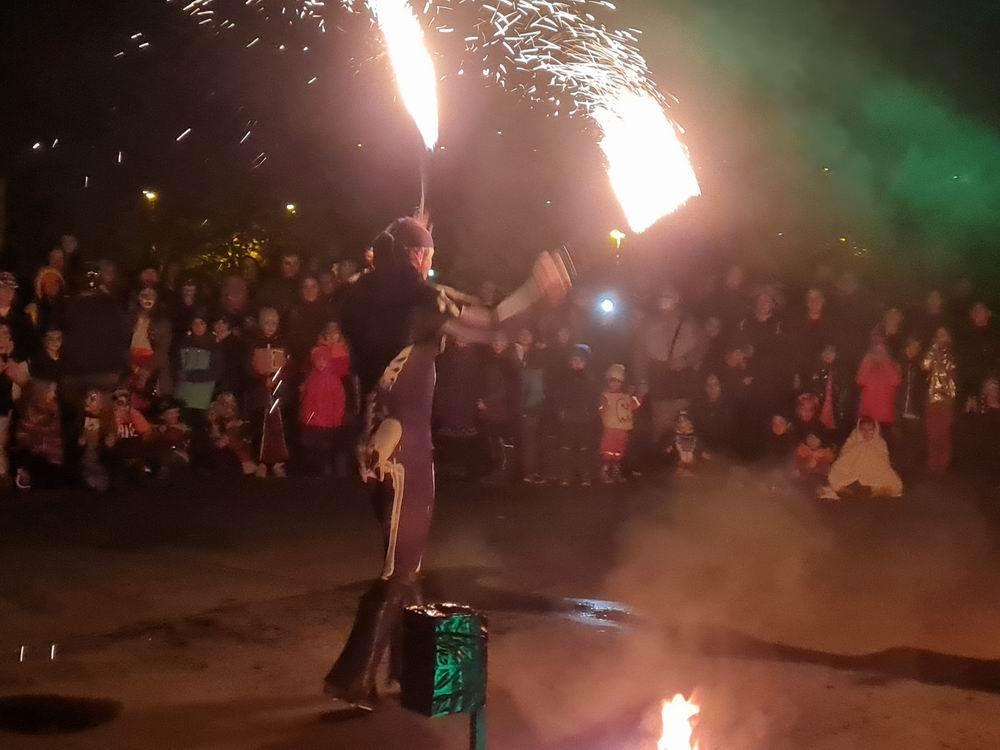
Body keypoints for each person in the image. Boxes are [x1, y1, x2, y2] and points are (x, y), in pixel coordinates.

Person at [325, 215, 570, 709]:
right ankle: (350, 678)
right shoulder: (423, 302)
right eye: (427, 255)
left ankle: (405, 669)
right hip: (405, 447)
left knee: (405, 565)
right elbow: (493, 320)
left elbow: (373, 272)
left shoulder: (355, 294)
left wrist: (402, 242)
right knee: (400, 568)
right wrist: (536, 288)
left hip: (371, 443)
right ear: (417, 257)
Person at [633, 287, 703, 451]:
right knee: (662, 427)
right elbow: (639, 355)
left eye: (669, 296)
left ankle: (684, 464)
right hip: (659, 382)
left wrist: (686, 360)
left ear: (677, 298)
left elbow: (702, 346)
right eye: (662, 296)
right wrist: (642, 381)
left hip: (682, 382)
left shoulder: (689, 322)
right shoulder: (647, 324)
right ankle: (662, 463)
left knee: (684, 426)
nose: (665, 300)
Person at [299, 322, 351, 476]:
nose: (321, 363)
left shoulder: (335, 379)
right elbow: (307, 398)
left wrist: (337, 418)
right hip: (314, 421)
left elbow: (339, 399)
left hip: (329, 421)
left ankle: (330, 472)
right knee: (316, 450)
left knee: (329, 449)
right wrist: (306, 417)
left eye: (324, 360)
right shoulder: (311, 377)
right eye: (318, 361)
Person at [247, 307, 290, 478]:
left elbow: (288, 365)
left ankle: (279, 461)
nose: (270, 326)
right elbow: (248, 366)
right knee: (259, 426)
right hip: (259, 390)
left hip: (278, 390)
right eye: (267, 322)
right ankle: (261, 461)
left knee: (279, 426)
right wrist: (260, 379)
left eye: (274, 323)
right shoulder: (253, 343)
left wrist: (276, 378)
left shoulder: (283, 342)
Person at [819, 417, 903, 500]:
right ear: (858, 430)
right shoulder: (852, 440)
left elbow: (884, 460)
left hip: (874, 469)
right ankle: (842, 487)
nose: (866, 433)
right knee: (836, 471)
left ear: (875, 430)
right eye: (862, 429)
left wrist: (869, 449)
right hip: (852, 469)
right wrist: (859, 447)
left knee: (892, 481)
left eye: (870, 430)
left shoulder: (880, 442)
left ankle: (880, 489)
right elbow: (844, 457)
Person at [477, 332, 519, 486]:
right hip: (488, 409)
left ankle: (502, 472)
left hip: (501, 409)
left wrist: (487, 401)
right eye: (495, 340)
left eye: (501, 340)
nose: (497, 343)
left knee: (499, 441)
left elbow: (506, 389)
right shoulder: (487, 360)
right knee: (491, 441)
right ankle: (495, 471)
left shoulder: (509, 362)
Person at [554, 344, 598, 486]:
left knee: (584, 448)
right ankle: (566, 475)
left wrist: (591, 413)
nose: (577, 363)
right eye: (574, 360)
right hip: (567, 418)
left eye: (580, 360)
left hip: (584, 419)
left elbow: (594, 399)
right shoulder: (564, 378)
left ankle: (585, 475)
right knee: (566, 448)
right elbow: (559, 396)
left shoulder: (590, 379)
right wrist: (561, 411)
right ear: (570, 362)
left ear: (585, 363)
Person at [14, 380, 64, 490]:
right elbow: (22, 436)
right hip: (34, 455)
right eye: (49, 391)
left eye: (53, 391)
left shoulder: (57, 412)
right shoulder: (29, 413)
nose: (52, 394)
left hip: (52, 457)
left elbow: (56, 435)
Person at [174, 314, 222, 428]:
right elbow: (176, 363)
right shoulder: (182, 343)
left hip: (202, 399)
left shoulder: (214, 346)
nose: (198, 327)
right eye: (195, 323)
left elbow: (215, 372)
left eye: (202, 323)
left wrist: (190, 375)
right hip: (182, 396)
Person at [922, 327, 958, 477]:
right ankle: (932, 465)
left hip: (946, 400)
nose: (941, 337)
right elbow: (924, 365)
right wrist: (933, 349)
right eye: (938, 335)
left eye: (944, 334)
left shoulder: (952, 354)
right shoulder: (932, 352)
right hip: (931, 399)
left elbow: (954, 374)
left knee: (944, 434)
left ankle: (943, 466)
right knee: (932, 433)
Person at [598, 363, 641, 484]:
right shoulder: (605, 396)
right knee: (607, 451)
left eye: (618, 381)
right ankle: (605, 471)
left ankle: (616, 471)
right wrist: (603, 407)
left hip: (623, 429)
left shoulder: (626, 396)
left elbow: (635, 406)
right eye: (612, 380)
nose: (614, 383)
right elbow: (600, 409)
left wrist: (636, 395)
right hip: (610, 428)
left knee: (619, 451)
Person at [0, 323, 30, 487]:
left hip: (12, 407)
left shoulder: (17, 358)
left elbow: (25, 383)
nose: (2, 337)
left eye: (5, 334)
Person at [855, 335, 902, 436]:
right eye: (876, 350)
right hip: (867, 416)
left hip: (885, 417)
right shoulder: (867, 364)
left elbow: (895, 381)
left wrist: (886, 361)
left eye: (882, 349)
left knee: (883, 448)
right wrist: (867, 360)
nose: (879, 353)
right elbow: (860, 381)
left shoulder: (893, 365)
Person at [894, 336, 927, 474]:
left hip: (914, 410)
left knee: (911, 443)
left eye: (917, 348)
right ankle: (896, 471)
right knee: (897, 441)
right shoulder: (897, 363)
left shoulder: (920, 367)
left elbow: (924, 388)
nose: (913, 349)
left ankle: (909, 473)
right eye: (911, 346)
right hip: (898, 409)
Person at [208, 392, 257, 476]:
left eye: (228, 405)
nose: (226, 409)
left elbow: (221, 444)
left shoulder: (239, 426)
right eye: (222, 405)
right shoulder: (219, 427)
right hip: (227, 469)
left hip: (245, 468)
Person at [691, 373, 736, 457]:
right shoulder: (698, 406)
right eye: (709, 385)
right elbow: (696, 431)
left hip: (725, 451)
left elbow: (730, 432)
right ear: (705, 388)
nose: (712, 388)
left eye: (716, 384)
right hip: (704, 450)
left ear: (720, 387)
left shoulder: (729, 406)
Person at [78, 388, 115, 491]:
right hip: (86, 460)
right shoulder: (81, 418)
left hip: (100, 460)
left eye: (92, 399)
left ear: (101, 404)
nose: (87, 401)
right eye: (86, 398)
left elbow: (111, 437)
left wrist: (110, 441)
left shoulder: (107, 420)